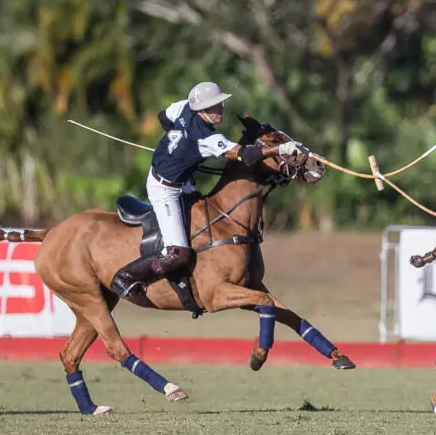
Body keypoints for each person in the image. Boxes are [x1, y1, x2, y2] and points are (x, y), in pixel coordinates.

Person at [110, 81, 306, 306]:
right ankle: (125, 277)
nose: (220, 108)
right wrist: (278, 149)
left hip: (182, 182)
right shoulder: (207, 138)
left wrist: (177, 146)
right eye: (215, 106)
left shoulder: (183, 107)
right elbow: (246, 156)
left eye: (220, 104)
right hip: (164, 189)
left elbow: (163, 117)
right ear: (201, 110)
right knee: (177, 253)